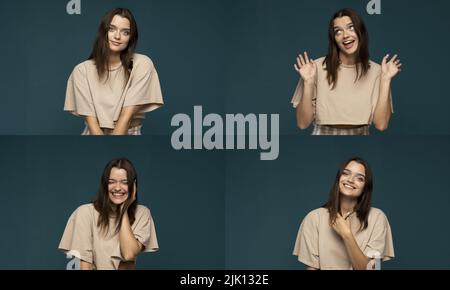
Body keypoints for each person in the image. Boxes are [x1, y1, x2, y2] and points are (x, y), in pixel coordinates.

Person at [291, 8, 402, 135]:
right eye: (338, 31)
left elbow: (381, 125)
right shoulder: (314, 68)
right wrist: (308, 82)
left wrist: (386, 79)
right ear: (334, 39)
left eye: (351, 27)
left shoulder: (378, 71)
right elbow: (302, 123)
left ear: (361, 32)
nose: (345, 35)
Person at [64, 8, 164, 135]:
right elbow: (92, 125)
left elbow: (125, 119)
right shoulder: (82, 71)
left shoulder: (142, 64)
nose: (117, 36)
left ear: (131, 38)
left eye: (125, 32)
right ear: (103, 32)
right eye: (112, 29)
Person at [293, 157, 394, 270]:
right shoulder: (315, 218)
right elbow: (311, 268)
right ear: (338, 178)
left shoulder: (378, 218)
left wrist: (346, 234)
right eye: (346, 174)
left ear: (366, 187)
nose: (350, 180)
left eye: (359, 178)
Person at [59, 158, 159, 270]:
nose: (117, 188)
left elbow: (129, 254)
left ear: (133, 186)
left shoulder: (142, 213)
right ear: (104, 185)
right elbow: (85, 265)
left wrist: (123, 210)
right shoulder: (85, 213)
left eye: (124, 182)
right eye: (111, 182)